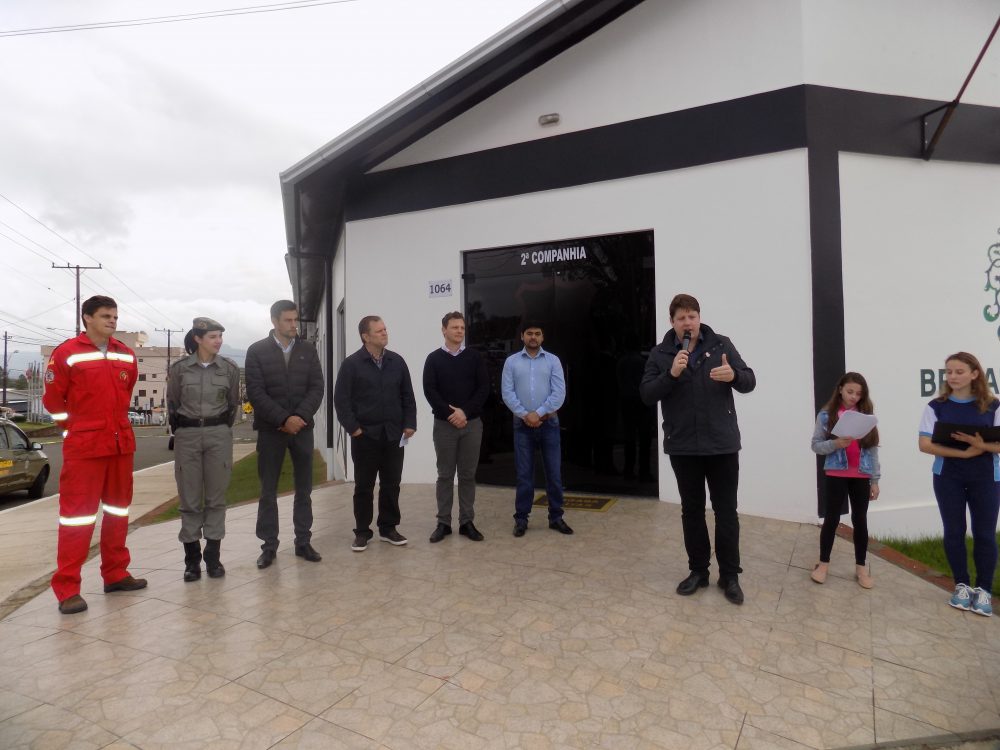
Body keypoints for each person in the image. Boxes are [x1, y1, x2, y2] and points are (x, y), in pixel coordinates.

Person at [639, 293, 755, 605]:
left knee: (726, 511)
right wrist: (671, 374)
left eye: (692, 316)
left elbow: (749, 380)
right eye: (681, 318)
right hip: (683, 445)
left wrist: (734, 376)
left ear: (699, 318)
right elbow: (647, 394)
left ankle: (729, 575)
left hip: (721, 444)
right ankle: (698, 571)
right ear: (672, 322)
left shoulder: (721, 345)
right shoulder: (661, 354)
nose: (687, 322)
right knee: (692, 511)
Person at [42, 295, 147, 614]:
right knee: (77, 519)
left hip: (120, 445)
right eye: (105, 316)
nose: (112, 321)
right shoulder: (67, 353)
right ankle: (67, 589)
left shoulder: (126, 354)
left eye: (114, 316)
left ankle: (115, 574)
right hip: (85, 448)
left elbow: (126, 393)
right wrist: (73, 429)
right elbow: (53, 400)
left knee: (118, 512)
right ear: (87, 318)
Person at [919, 352, 1000, 617]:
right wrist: (963, 454)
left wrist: (981, 445)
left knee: (984, 534)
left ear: (975, 374)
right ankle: (962, 586)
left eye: (959, 371)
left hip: (986, 478)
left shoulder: (993, 406)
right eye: (949, 372)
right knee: (954, 531)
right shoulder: (936, 406)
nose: (952, 376)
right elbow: (924, 444)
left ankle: (984, 590)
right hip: (948, 477)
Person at [245, 300, 325, 569]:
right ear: (274, 321)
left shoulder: (308, 350)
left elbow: (317, 387)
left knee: (304, 489)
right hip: (271, 431)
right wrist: (282, 419)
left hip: (302, 430)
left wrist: (299, 418)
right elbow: (256, 392)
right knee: (268, 491)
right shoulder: (257, 351)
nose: (294, 325)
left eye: (295, 319)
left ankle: (303, 541)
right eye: (288, 320)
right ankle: (269, 546)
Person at [167, 317, 241, 582]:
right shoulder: (179, 369)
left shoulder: (229, 369)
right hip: (187, 435)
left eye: (220, 336)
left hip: (218, 435)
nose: (218, 341)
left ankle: (213, 557)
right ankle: (191, 561)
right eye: (213, 336)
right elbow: (173, 402)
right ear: (198, 339)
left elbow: (233, 404)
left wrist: (217, 428)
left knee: (216, 498)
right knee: (189, 499)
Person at [334, 315, 416, 551]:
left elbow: (407, 396)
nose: (384, 333)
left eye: (385, 329)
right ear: (365, 336)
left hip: (393, 435)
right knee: (364, 486)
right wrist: (354, 429)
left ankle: (388, 528)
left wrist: (410, 423)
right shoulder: (351, 365)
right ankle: (362, 531)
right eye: (379, 331)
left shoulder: (397, 362)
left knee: (392, 484)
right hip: (365, 437)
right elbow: (341, 401)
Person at [423, 312, 490, 543]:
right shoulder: (433, 359)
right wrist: (451, 414)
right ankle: (443, 523)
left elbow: (483, 388)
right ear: (444, 330)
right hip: (444, 426)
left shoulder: (474, 357)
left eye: (462, 327)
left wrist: (465, 412)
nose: (460, 331)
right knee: (445, 475)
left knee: (468, 475)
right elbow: (430, 390)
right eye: (454, 327)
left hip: (472, 425)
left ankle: (466, 522)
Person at [809, 372, 881, 588]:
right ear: (840, 389)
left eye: (858, 394)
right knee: (831, 519)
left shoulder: (866, 416)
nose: (854, 397)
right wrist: (835, 444)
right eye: (850, 392)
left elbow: (872, 449)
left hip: (861, 475)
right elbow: (816, 445)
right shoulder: (826, 416)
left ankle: (861, 568)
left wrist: (875, 480)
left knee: (860, 520)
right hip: (836, 474)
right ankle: (823, 565)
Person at [501, 322, 573, 537]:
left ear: (543, 337)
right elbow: (507, 393)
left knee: (554, 473)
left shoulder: (553, 361)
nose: (533, 337)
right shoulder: (511, 362)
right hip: (521, 425)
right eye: (529, 333)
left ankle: (556, 517)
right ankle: (521, 519)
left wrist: (538, 413)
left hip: (549, 424)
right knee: (524, 475)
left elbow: (559, 393)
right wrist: (526, 415)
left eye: (537, 334)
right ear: (522, 336)